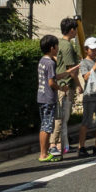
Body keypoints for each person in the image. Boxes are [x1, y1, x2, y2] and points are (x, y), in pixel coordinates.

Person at [51, 17, 82, 158]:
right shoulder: (68, 46)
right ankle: (58, 145)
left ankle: (61, 144)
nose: (76, 32)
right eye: (75, 29)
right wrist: (79, 85)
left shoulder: (59, 44)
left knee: (60, 117)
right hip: (65, 86)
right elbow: (71, 70)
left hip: (59, 84)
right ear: (71, 30)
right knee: (63, 117)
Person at [77, 36, 96, 157]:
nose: (95, 52)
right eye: (92, 49)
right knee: (86, 123)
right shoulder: (84, 63)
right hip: (89, 97)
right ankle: (81, 147)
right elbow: (85, 77)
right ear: (86, 50)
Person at [36, 34, 60, 162]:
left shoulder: (42, 61)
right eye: (56, 46)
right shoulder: (50, 63)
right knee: (47, 126)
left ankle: (43, 152)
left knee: (44, 125)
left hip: (41, 97)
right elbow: (51, 82)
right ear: (52, 48)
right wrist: (61, 88)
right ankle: (43, 154)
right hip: (49, 98)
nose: (57, 48)